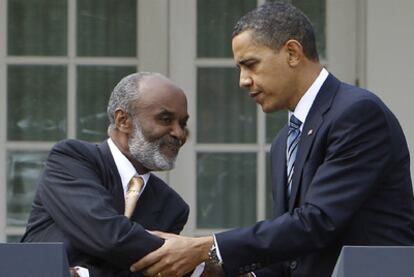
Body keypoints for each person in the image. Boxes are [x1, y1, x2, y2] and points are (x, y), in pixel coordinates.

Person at [129, 2, 414, 277]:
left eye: (250, 64)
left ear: (292, 52)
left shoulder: (357, 113)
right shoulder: (282, 143)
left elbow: (318, 222)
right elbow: (293, 251)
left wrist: (205, 248)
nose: (243, 80)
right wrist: (224, 270)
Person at [21, 72, 191, 276]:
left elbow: (148, 270)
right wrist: (194, 256)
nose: (179, 134)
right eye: (165, 119)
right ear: (123, 120)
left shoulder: (172, 207)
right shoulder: (72, 159)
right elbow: (108, 236)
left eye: (183, 124)